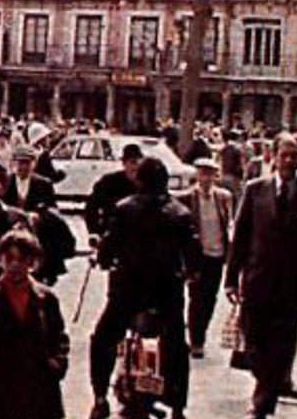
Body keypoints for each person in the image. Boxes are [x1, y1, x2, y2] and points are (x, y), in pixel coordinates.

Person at [225, 134, 297, 419]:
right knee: (255, 342)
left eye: (294, 156)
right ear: (273, 156)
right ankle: (266, 383)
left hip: (292, 287)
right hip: (257, 282)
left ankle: (262, 403)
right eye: (284, 155)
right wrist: (231, 278)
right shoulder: (255, 190)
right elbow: (241, 238)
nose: (289, 161)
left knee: (282, 345)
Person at [89, 158, 200, 419]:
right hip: (166, 295)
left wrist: (103, 260)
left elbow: (107, 248)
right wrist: (190, 274)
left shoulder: (124, 209)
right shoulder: (181, 213)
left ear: (139, 180)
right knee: (176, 346)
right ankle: (178, 406)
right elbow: (194, 256)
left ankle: (100, 397)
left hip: (127, 293)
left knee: (103, 338)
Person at [0, 230, 69, 419]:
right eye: (9, 258)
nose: (15, 264)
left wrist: (57, 364)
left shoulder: (46, 298)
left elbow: (59, 337)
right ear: (0, 260)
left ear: (32, 262)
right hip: (0, 388)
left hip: (39, 388)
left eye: (22, 259)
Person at [174, 157, 234, 358]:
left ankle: (201, 331)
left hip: (216, 255)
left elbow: (228, 224)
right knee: (196, 298)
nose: (206, 179)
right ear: (197, 175)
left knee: (210, 298)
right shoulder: (186, 198)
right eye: (202, 174)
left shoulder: (224, 197)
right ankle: (196, 339)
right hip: (197, 257)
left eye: (210, 174)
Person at [84, 142, 143, 237]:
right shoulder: (108, 182)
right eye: (132, 162)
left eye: (139, 164)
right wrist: (95, 232)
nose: (135, 167)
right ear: (124, 163)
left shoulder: (146, 183)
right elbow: (91, 208)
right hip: (112, 234)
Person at [4, 145, 57, 212]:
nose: (24, 167)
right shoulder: (5, 182)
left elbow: (53, 211)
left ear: (34, 164)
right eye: (20, 163)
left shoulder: (44, 184)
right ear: (13, 163)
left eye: (27, 163)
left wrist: (38, 217)